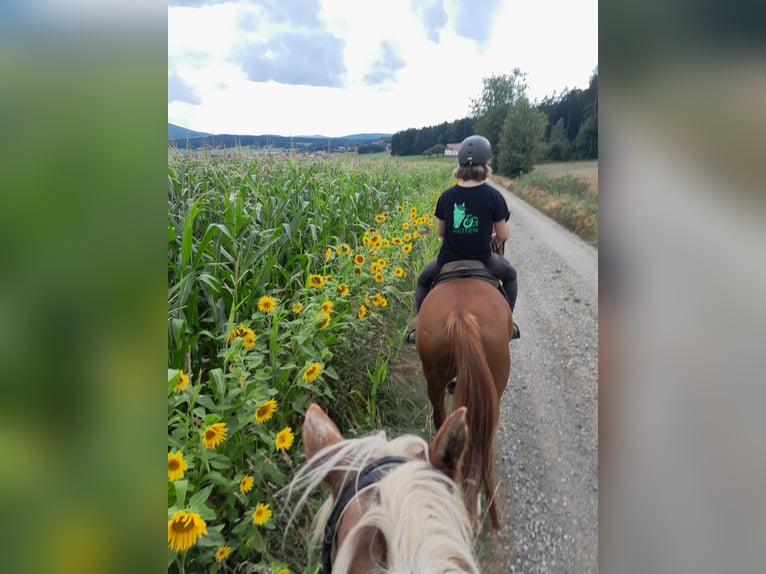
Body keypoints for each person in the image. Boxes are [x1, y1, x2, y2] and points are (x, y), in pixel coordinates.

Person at [406, 134, 520, 343]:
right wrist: (492, 234)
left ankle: (419, 328)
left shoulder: (447, 196)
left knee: (422, 282)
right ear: (485, 164)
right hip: (484, 259)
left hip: (447, 260)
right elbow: (502, 235)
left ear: (460, 165)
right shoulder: (494, 197)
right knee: (511, 277)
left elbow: (441, 232)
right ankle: (509, 325)